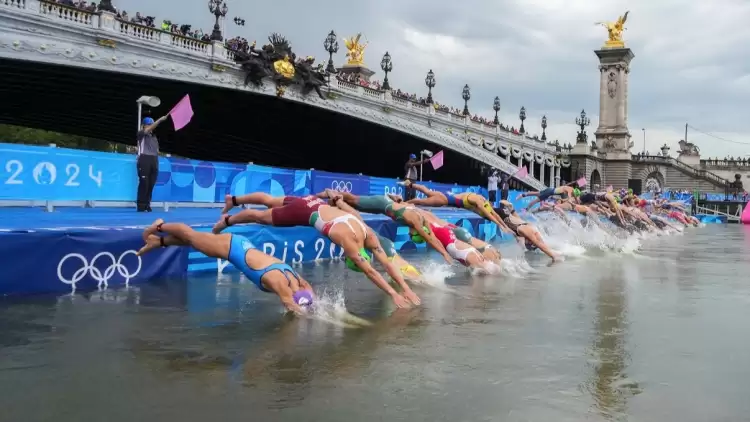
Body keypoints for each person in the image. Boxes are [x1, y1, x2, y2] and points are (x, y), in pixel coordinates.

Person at [212, 192, 420, 308]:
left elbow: (387, 264)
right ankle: (227, 221)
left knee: (269, 200)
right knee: (259, 217)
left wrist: (406, 288)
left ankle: (234, 199)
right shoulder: (349, 244)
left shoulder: (367, 232)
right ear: (353, 257)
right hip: (302, 212)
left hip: (312, 202)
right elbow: (372, 271)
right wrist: (394, 293)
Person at [137, 219, 314, 315]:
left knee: (196, 242)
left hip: (240, 245)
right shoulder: (281, 282)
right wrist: (311, 318)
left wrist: (314, 304)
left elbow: (308, 291)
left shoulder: (297, 280)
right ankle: (159, 225)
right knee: (191, 236)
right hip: (231, 248)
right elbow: (289, 303)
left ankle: (158, 242)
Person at [313, 191, 453, 264]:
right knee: (352, 200)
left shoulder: (423, 221)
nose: (409, 235)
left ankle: (329, 200)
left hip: (387, 206)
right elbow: (429, 238)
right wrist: (444, 253)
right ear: (417, 231)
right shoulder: (417, 221)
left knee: (347, 203)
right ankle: (326, 194)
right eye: (412, 235)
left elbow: (432, 237)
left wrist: (445, 253)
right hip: (382, 204)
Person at [402, 181, 514, 235]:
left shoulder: (482, 200)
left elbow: (494, 215)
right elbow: (490, 215)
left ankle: (409, 184)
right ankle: (403, 203)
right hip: (444, 200)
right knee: (420, 201)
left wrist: (504, 225)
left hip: (445, 195)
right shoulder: (478, 201)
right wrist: (500, 225)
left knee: (426, 191)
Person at [136, 115, 168, 212]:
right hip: (144, 159)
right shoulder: (141, 133)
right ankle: (141, 205)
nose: (151, 126)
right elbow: (148, 130)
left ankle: (147, 204)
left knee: (151, 184)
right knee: (144, 183)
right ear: (144, 126)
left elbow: (156, 150)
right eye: (148, 125)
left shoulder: (154, 137)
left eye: (151, 124)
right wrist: (160, 120)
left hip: (154, 160)